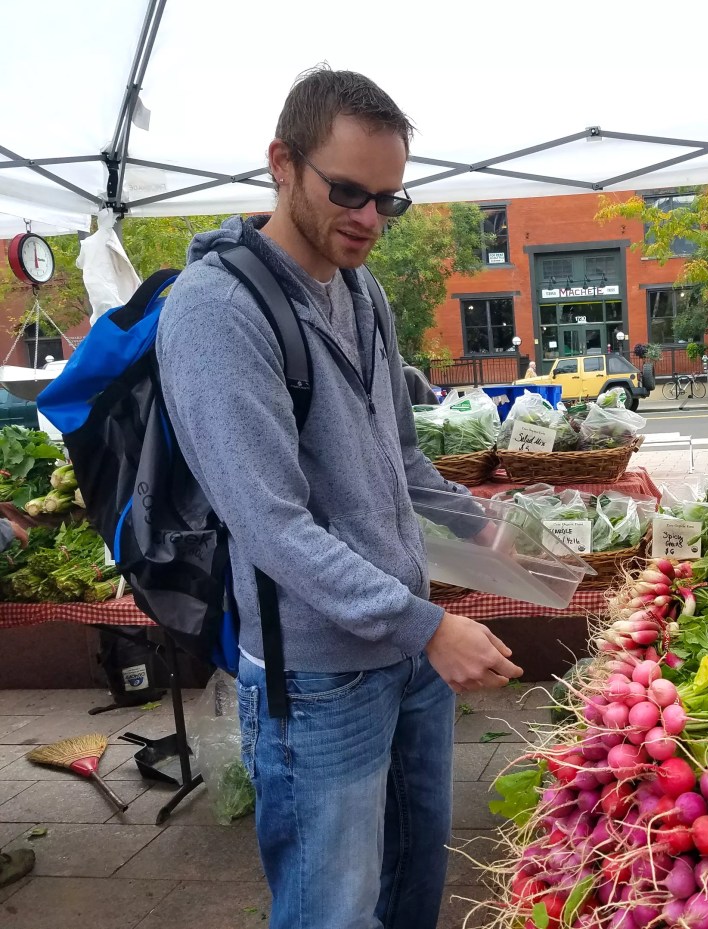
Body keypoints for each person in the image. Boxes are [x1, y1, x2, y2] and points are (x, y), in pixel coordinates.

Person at [156, 67, 521, 929]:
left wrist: (488, 527)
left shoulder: (363, 292)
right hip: (318, 679)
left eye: (388, 201)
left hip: (405, 656)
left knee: (409, 891)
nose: (368, 220)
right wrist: (429, 625)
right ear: (282, 163)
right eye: (349, 192)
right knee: (333, 909)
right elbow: (272, 525)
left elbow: (399, 456)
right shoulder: (217, 312)